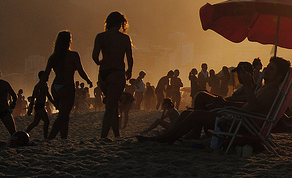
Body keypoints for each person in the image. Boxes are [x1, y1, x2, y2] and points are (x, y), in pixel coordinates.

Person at [138, 57, 290, 144]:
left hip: (241, 124)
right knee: (189, 112)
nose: (266, 72)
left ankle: (164, 139)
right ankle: (173, 134)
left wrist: (249, 86)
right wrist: (227, 102)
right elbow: (249, 105)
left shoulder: (273, 92)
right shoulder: (266, 88)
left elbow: (255, 108)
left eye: (271, 69)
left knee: (197, 114)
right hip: (238, 118)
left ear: (279, 77)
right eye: (267, 68)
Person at [41, 30, 92, 139]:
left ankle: (64, 138)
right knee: (63, 115)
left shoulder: (53, 57)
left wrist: (40, 86)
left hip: (55, 87)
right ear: (69, 41)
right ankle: (50, 138)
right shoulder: (73, 55)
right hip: (67, 86)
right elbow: (80, 70)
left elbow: (46, 74)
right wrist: (88, 80)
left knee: (64, 115)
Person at [93, 11, 133, 139]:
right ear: (121, 23)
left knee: (113, 104)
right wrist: (130, 70)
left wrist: (100, 62)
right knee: (110, 107)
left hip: (103, 73)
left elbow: (95, 56)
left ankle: (116, 134)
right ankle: (103, 136)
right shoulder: (124, 38)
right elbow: (129, 58)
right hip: (117, 72)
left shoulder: (100, 36)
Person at [26, 70, 56, 138]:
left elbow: (48, 96)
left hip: (41, 105)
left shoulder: (45, 85)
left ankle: (26, 132)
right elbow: (34, 96)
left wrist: (54, 104)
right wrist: (30, 108)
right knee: (46, 121)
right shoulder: (39, 85)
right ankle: (45, 137)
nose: (48, 77)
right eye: (46, 76)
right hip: (39, 106)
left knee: (35, 123)